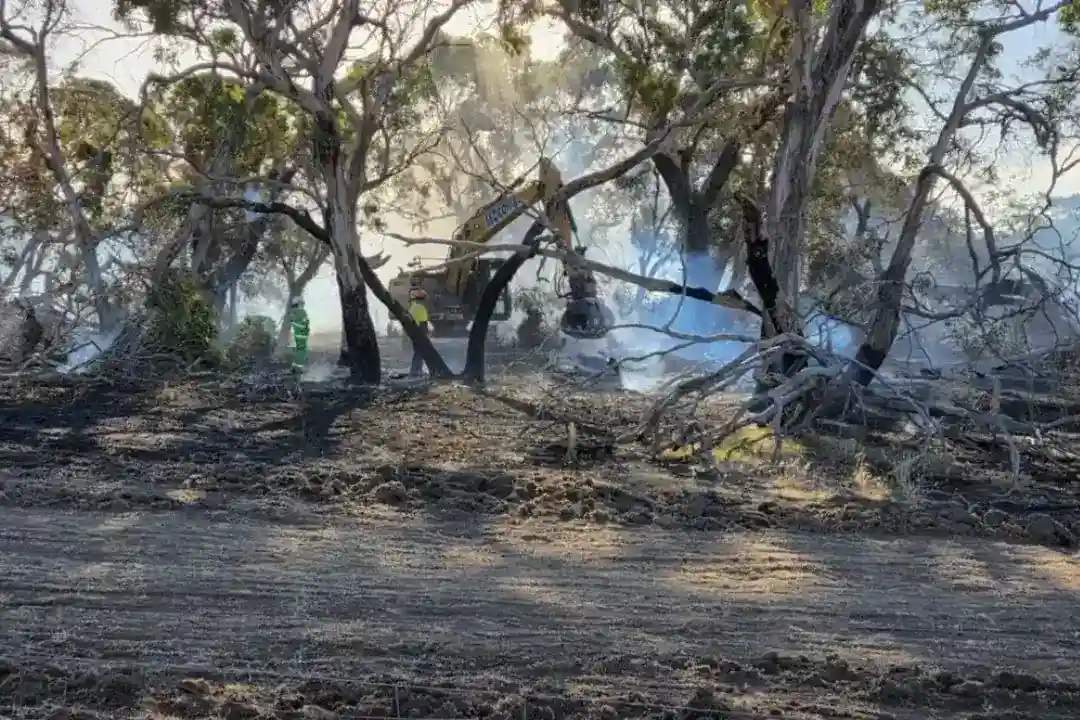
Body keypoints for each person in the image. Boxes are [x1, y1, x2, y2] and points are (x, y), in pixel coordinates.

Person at [407, 286, 429, 377]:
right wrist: (425, 335)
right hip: (420, 333)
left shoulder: (412, 307)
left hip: (414, 333)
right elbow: (423, 324)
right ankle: (415, 371)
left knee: (418, 352)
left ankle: (415, 370)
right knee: (419, 353)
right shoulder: (420, 307)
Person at [287, 296, 310, 373]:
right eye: (302, 303)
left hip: (296, 335)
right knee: (302, 352)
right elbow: (305, 323)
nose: (303, 304)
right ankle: (298, 368)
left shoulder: (293, 313)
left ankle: (294, 367)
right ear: (299, 304)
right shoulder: (302, 312)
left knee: (298, 351)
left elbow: (293, 323)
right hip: (302, 335)